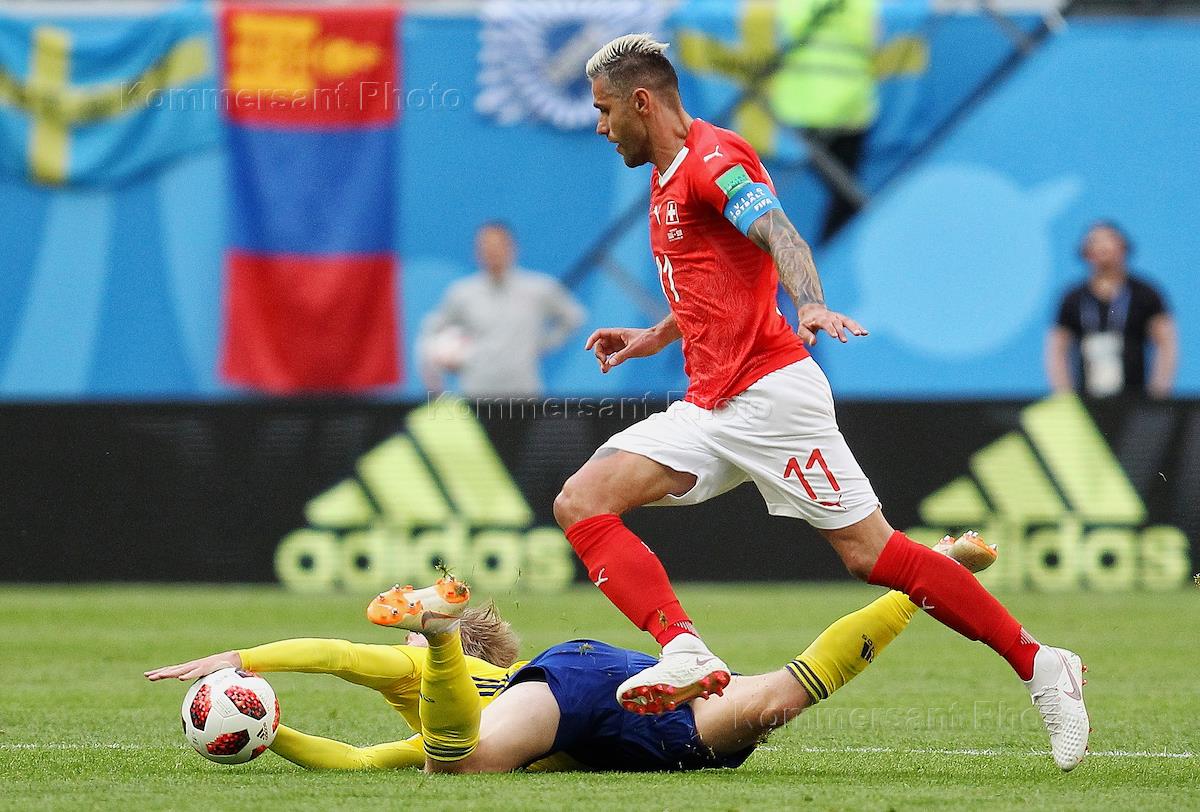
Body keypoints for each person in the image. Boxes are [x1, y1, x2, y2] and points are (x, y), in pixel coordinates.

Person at [552, 33, 1088, 771]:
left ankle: (1042, 664)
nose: (600, 125)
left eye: (605, 110)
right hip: (709, 406)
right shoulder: (667, 172)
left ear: (642, 102)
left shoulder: (714, 161)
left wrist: (809, 302)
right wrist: (654, 335)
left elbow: (780, 234)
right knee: (582, 501)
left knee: (874, 555)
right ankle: (684, 649)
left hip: (771, 399)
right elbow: (719, 275)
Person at [145, 534, 997, 773]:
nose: (395, 648)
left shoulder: (424, 673)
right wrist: (270, 722)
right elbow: (365, 752)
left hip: (563, 691)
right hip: (631, 709)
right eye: (419, 636)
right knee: (777, 700)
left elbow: (339, 657)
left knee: (461, 764)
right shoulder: (452, 708)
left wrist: (249, 670)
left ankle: (443, 630)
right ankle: (926, 576)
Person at [419, 221, 585, 397]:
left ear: (513, 248)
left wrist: (541, 344)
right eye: (486, 246)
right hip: (476, 392)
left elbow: (574, 317)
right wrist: (443, 358)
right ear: (477, 252)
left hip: (523, 392)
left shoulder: (538, 289)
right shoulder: (462, 293)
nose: (493, 252)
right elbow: (431, 329)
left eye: (498, 245)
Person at [770, 0, 879, 243]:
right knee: (847, 196)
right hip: (850, 109)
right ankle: (829, 254)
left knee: (846, 196)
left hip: (803, 109)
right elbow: (875, 38)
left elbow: (776, 34)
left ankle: (825, 254)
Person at [1045, 221, 1178, 398]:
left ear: (1123, 248)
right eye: (1095, 242)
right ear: (1086, 253)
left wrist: (1158, 393)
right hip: (1086, 398)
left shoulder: (1146, 294)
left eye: (1108, 240)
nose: (1102, 247)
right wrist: (1064, 395)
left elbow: (1167, 343)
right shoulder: (1072, 298)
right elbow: (1056, 349)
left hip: (1135, 398)